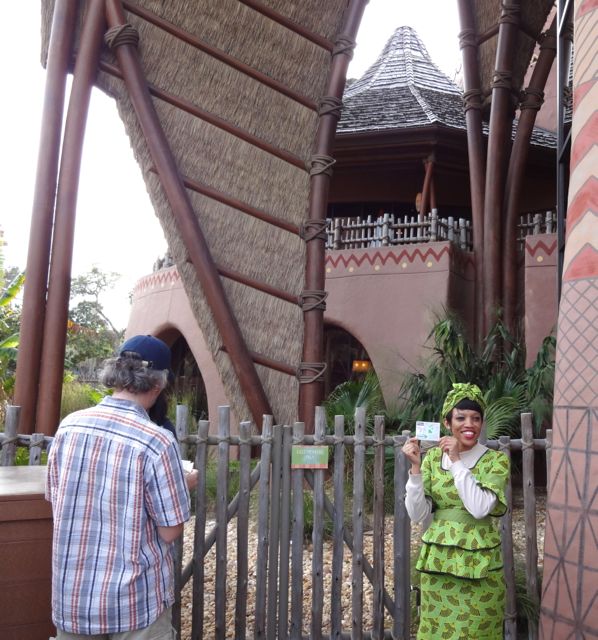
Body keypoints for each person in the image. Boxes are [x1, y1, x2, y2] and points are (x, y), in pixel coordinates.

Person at [46, 334, 198, 639]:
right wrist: (181, 485)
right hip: (134, 602)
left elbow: (55, 499)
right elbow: (170, 530)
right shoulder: (156, 440)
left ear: (115, 374)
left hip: (73, 596)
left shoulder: (69, 426)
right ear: (159, 383)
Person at [402, 383, 510, 640]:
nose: (469, 424)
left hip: (479, 568)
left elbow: (480, 508)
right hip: (439, 565)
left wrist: (457, 461)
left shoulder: (495, 460)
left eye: (475, 418)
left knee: (477, 632)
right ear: (447, 423)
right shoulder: (430, 460)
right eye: (460, 417)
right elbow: (417, 515)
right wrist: (416, 470)